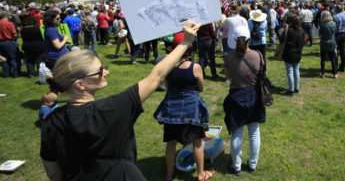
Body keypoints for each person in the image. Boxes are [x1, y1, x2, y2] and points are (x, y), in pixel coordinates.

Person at [40, 21, 200, 181]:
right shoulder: (112, 109)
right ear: (80, 85)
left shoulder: (51, 121)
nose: (106, 72)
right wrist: (186, 42)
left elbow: (53, 172)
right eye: (99, 71)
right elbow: (156, 76)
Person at [153, 37, 215, 181]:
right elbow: (201, 88)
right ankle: (201, 174)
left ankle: (169, 174)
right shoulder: (195, 67)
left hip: (171, 108)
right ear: (190, 49)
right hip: (191, 109)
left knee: (171, 142)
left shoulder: (165, 65)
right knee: (197, 141)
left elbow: (164, 81)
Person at [223, 25, 265, 176]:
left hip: (236, 95)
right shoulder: (258, 55)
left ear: (233, 39)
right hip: (253, 95)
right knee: (254, 132)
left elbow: (228, 76)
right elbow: (261, 73)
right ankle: (252, 165)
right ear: (248, 39)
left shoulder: (228, 56)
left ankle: (237, 166)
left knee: (237, 133)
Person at [280, 14, 305, 95]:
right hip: (298, 53)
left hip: (289, 53)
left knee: (290, 71)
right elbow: (303, 42)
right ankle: (296, 88)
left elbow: (281, 40)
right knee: (296, 70)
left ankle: (291, 89)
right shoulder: (301, 31)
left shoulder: (288, 30)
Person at [319, 11, 338, 79]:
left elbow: (320, 35)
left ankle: (322, 73)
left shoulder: (322, 25)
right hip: (332, 42)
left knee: (323, 58)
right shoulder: (334, 24)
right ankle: (335, 74)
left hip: (324, 42)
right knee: (333, 58)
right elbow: (335, 32)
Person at [0, 11, 19, 77]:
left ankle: (6, 74)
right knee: (13, 59)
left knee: (4, 59)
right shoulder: (10, 23)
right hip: (9, 41)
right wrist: (16, 38)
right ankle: (15, 74)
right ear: (7, 16)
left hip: (1, 42)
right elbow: (14, 34)